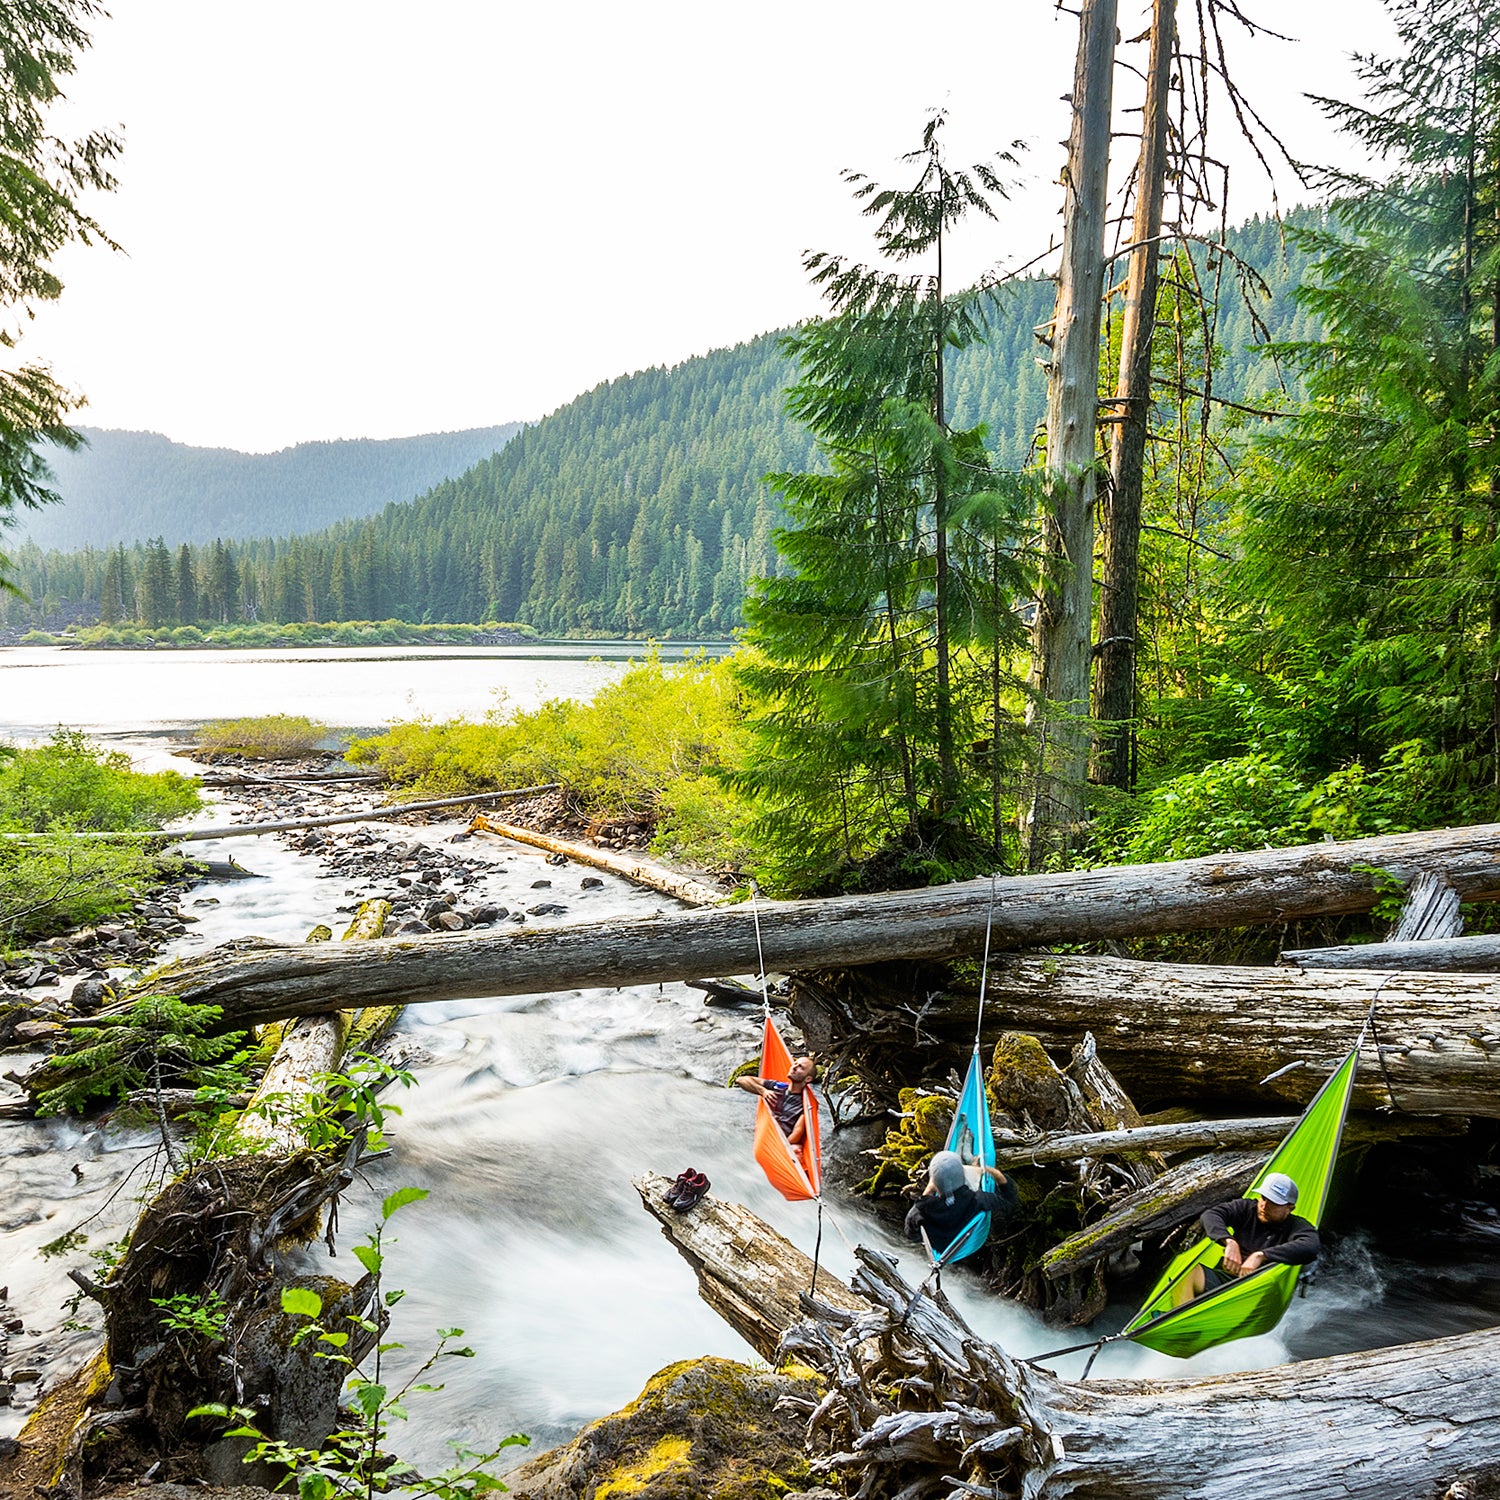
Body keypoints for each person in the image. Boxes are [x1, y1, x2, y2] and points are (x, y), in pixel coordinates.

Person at [1172, 1171, 1320, 1306]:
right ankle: (1181, 1326)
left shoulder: (1297, 1226)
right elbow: (1211, 1215)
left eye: (1274, 1203)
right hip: (1225, 1282)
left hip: (1258, 1295)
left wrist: (1261, 1256)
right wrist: (1229, 1241)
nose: (1264, 1205)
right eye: (1263, 1197)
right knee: (1184, 1272)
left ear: (1290, 1208)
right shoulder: (1247, 1208)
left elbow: (1310, 1247)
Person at [904, 1150, 1019, 1258]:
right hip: (966, 1245)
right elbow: (1009, 1199)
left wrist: (928, 1191)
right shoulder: (978, 1199)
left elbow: (911, 1234)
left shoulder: (923, 1209)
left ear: (934, 1182)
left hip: (939, 1249)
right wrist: (994, 1172)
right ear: (963, 1176)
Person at [737, 1054, 816, 1147]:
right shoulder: (777, 1086)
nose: (794, 1067)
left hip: (778, 1143)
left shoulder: (805, 1103)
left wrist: (780, 1148)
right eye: (795, 1063)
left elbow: (796, 1135)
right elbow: (741, 1080)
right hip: (763, 1133)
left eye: (800, 1067)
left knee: (796, 1148)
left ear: (808, 1078)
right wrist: (763, 1091)